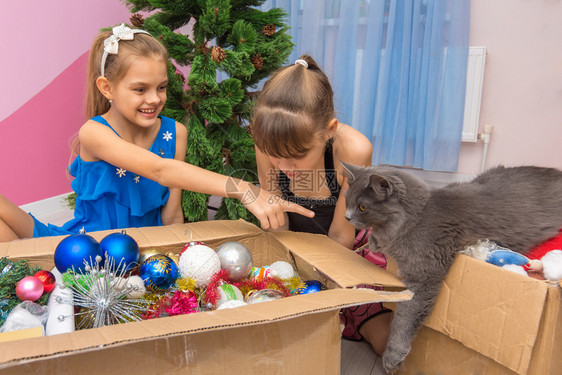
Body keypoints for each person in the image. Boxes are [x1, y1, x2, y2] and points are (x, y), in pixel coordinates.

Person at [0, 24, 313, 242]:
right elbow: (160, 169)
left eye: (161, 87)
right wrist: (244, 188)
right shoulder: (94, 133)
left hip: (144, 255)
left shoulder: (174, 133)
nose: (154, 99)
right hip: (84, 250)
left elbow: (171, 215)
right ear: (107, 88)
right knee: (15, 242)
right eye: (140, 89)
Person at [251, 54, 392, 355]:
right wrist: (289, 278)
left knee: (386, 340)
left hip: (346, 251)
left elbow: (342, 236)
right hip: (295, 249)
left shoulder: (354, 149)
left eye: (296, 156)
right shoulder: (268, 143)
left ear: (329, 130)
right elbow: (278, 221)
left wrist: (323, 292)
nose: (283, 165)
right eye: (275, 155)